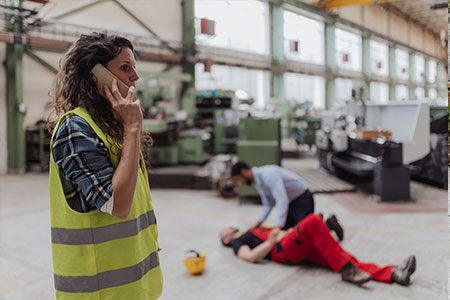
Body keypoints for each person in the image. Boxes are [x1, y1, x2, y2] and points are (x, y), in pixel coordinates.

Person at [47, 32, 163, 300]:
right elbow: (118, 205)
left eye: (134, 67)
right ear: (96, 74)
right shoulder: (76, 128)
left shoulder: (111, 128)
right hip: (99, 289)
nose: (135, 77)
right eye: (125, 68)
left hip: (134, 284)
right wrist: (133, 127)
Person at [220, 214, 416, 287]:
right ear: (226, 239)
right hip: (281, 251)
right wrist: (271, 242)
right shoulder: (238, 242)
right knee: (313, 220)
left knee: (340, 257)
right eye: (225, 231)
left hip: (292, 244)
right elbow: (250, 257)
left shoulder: (250, 230)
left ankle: (394, 273)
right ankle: (347, 270)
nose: (228, 227)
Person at [231, 161, 344, 240]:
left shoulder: (268, 174)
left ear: (243, 171)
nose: (241, 182)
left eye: (238, 179)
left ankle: (328, 225)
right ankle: (318, 222)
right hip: (291, 204)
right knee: (286, 236)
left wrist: (278, 225)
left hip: (302, 200)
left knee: (302, 234)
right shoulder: (258, 182)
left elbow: (282, 199)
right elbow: (268, 204)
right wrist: (258, 222)